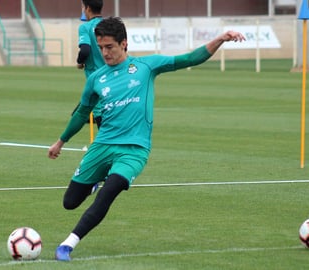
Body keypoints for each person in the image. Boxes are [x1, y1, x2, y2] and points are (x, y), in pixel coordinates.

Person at [48, 16, 245, 261]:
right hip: (102, 145)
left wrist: (220, 39)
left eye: (110, 47)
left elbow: (190, 58)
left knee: (110, 190)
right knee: (70, 201)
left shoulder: (146, 67)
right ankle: (94, 181)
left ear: (124, 44)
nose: (105, 53)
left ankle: (68, 245)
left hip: (134, 149)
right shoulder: (96, 79)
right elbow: (81, 113)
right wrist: (61, 141)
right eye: (101, 48)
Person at [73, 0, 105, 128]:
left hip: (97, 80)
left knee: (102, 124)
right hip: (116, 76)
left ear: (87, 8)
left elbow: (85, 49)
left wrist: (80, 62)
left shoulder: (85, 27)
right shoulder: (110, 25)